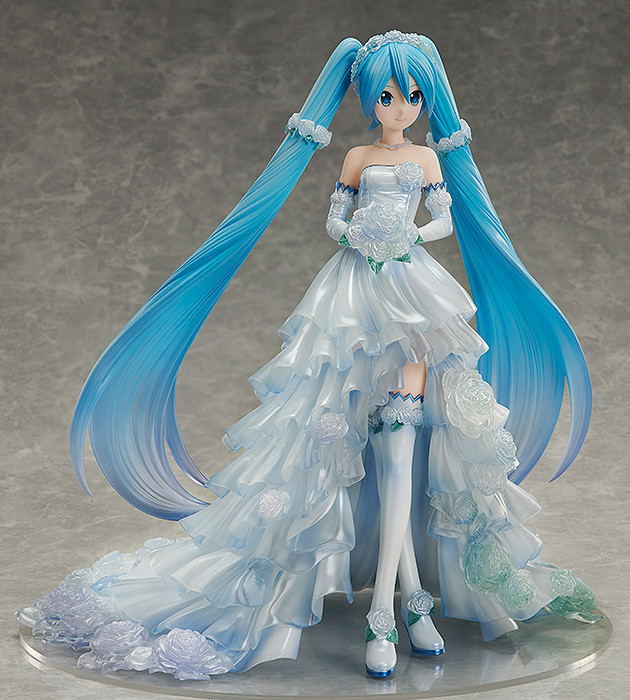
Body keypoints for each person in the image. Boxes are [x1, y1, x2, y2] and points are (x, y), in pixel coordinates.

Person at [16, 30, 602, 681]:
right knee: (360, 447)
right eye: (387, 96)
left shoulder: (427, 159)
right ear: (369, 99)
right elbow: (334, 219)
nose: (400, 107)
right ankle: (403, 604)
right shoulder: (356, 156)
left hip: (413, 295)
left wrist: (408, 234)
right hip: (351, 299)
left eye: (412, 96)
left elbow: (444, 219)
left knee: (403, 452)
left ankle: (395, 606)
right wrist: (356, 233)